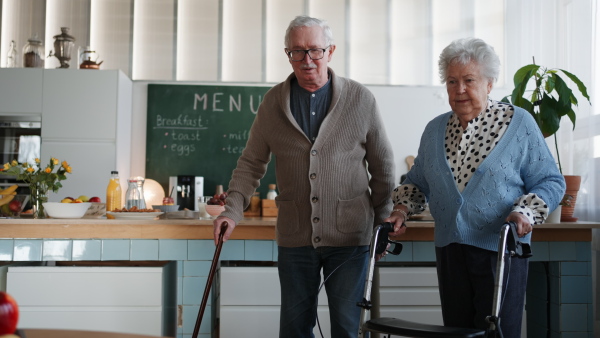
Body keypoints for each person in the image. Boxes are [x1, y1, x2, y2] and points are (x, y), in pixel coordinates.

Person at [213, 15, 396, 338]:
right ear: (288, 54)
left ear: (331, 51)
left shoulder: (360, 99)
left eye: (315, 50)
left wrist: (382, 220)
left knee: (347, 327)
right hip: (296, 238)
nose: (307, 60)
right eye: (297, 52)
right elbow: (250, 164)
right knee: (294, 329)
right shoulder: (273, 103)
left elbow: (382, 166)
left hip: (351, 238)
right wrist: (232, 211)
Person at [384, 37, 565, 337]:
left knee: (496, 332)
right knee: (456, 332)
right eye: (452, 81)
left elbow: (550, 180)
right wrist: (401, 210)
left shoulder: (518, 123)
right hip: (450, 251)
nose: (460, 90)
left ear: (489, 83)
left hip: (500, 248)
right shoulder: (434, 130)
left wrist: (525, 212)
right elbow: (417, 181)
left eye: (469, 80)